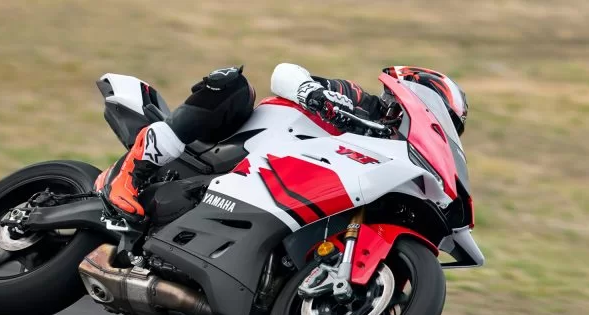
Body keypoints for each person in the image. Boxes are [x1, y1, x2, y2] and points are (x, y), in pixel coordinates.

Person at [95, 63, 468, 221]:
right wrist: (313, 94)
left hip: (285, 189)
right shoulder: (358, 99)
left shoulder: (390, 158)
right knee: (233, 84)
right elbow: (284, 72)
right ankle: (130, 173)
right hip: (238, 144)